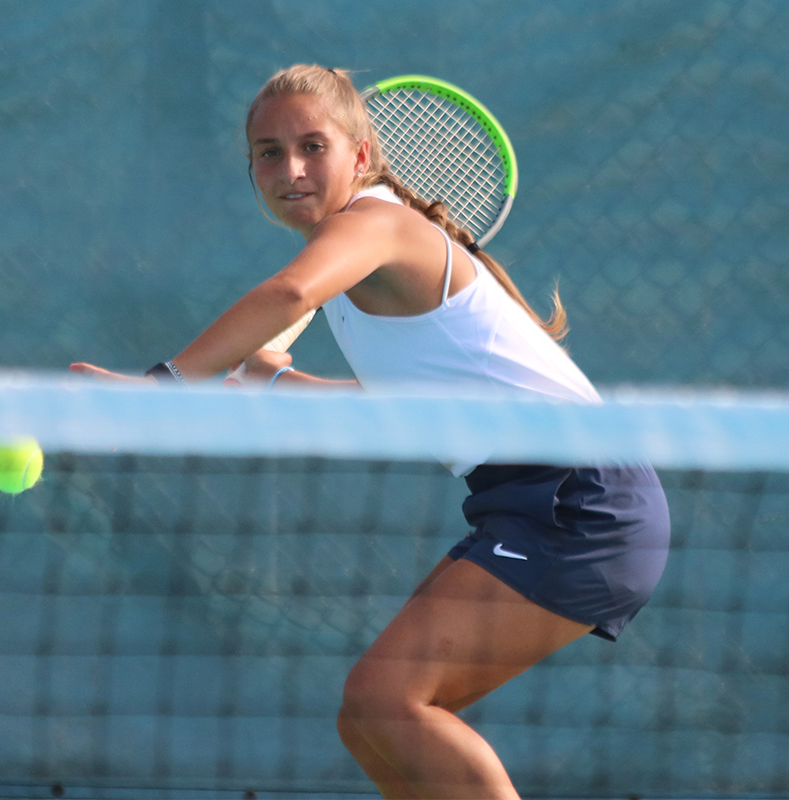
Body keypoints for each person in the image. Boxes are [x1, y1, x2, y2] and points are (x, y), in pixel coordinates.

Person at [71, 64, 670, 800]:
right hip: (540, 501)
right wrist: (275, 385)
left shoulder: (375, 224)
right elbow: (398, 404)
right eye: (267, 152)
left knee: (392, 702)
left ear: (360, 157)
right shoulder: (356, 273)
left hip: (581, 501)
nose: (289, 168)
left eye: (311, 146)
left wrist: (161, 389)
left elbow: (289, 292)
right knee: (369, 716)